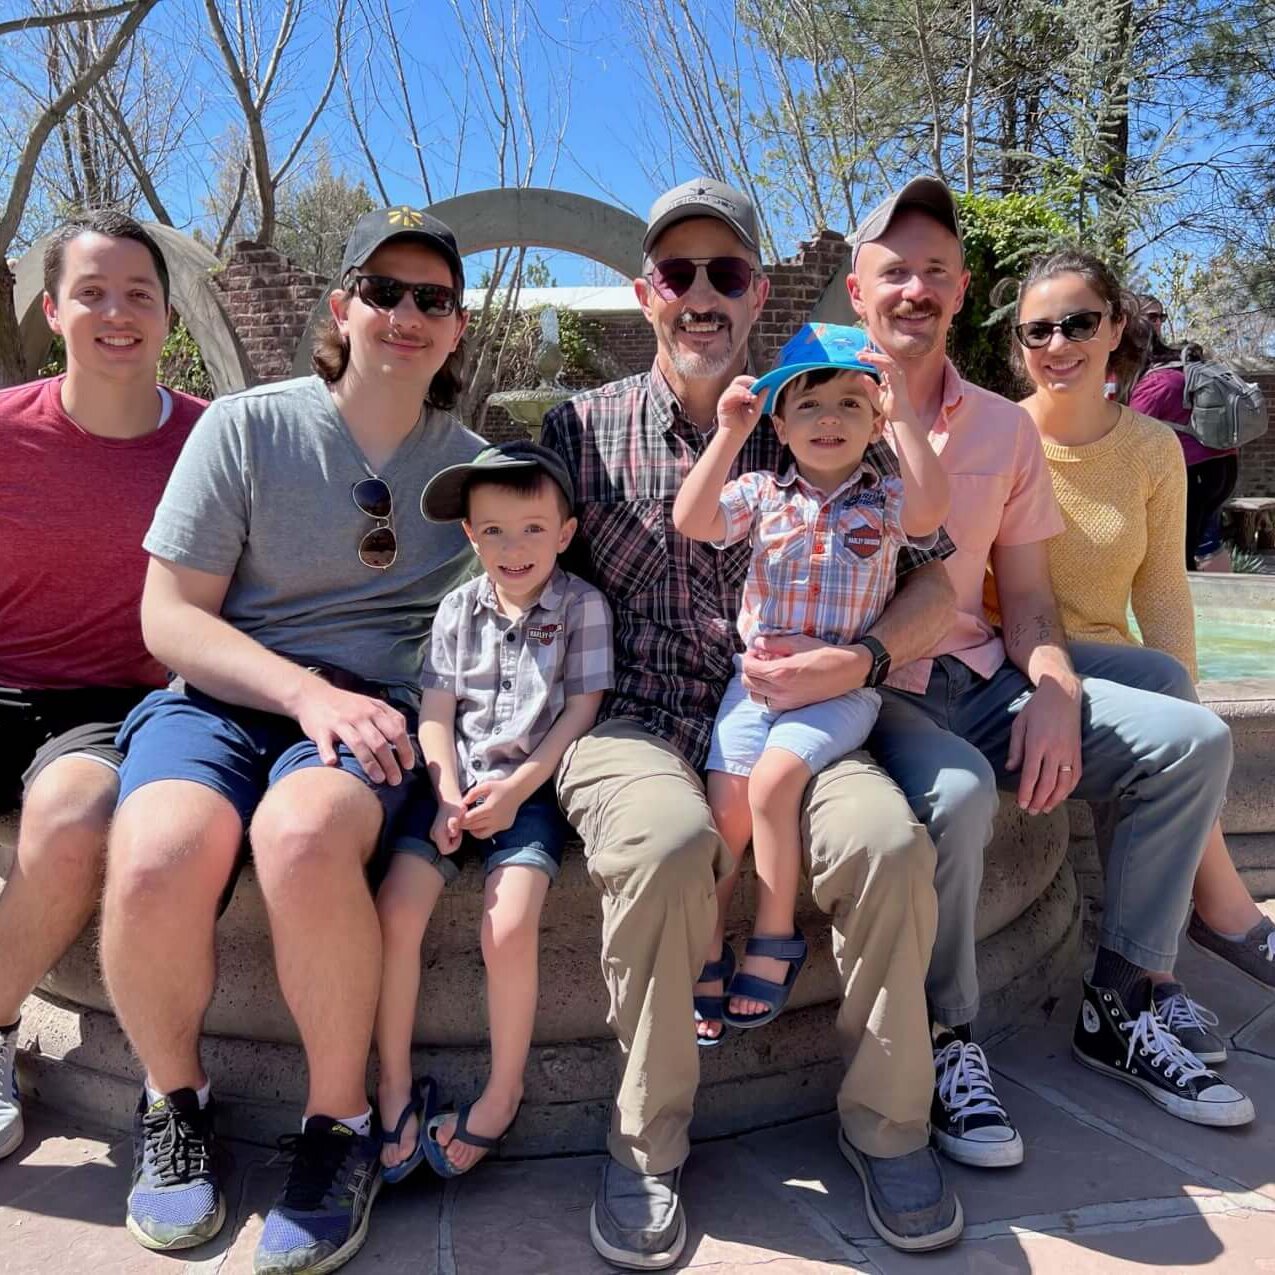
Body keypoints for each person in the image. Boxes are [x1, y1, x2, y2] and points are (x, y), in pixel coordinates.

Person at [541, 176, 966, 1266]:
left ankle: (889, 1126)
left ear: (756, 291)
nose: (700, 295)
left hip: (804, 711)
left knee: (886, 846)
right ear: (646, 291)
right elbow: (515, 577)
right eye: (676, 273)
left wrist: (861, 660)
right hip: (634, 718)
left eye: (724, 273)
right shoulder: (579, 431)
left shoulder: (823, 409)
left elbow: (934, 577)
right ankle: (646, 1145)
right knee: (667, 846)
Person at [99, 206, 482, 1274]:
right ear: (342, 306)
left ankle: (339, 1125)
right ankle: (176, 1103)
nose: (406, 314)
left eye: (432, 299)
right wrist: (302, 693)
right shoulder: (246, 429)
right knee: (154, 852)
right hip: (225, 696)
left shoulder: (473, 469)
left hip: (371, 711)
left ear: (457, 328)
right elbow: (170, 617)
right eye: (384, 291)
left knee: (304, 835)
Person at [852, 178, 1252, 1177]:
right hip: (876, 694)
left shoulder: (1001, 429)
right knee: (956, 796)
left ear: (960, 290)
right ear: (857, 291)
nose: (914, 289)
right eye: (892, 271)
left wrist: (1056, 690)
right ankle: (949, 1038)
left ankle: (1123, 999)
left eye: (935, 272)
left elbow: (1026, 598)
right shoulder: (807, 401)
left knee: (1193, 741)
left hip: (982, 671)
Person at [1013, 250, 1275, 1042]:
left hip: (1113, 661)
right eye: (1037, 330)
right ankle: (1195, 936)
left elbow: (1161, 596)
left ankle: (1155, 969)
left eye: (1078, 323)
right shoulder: (1000, 436)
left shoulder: (1151, 448)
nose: (1058, 344)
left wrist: (1187, 708)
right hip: (1022, 661)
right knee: (1154, 693)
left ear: (1115, 327)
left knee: (1163, 686)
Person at [672, 325, 949, 1029]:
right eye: (809, 404)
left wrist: (905, 416)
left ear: (876, 421)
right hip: (757, 684)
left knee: (772, 781)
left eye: (851, 405)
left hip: (842, 690)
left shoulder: (886, 500)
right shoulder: (763, 492)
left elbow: (931, 510)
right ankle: (709, 940)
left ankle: (775, 935)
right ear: (780, 424)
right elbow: (693, 518)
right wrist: (728, 434)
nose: (829, 419)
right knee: (726, 806)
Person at [0, 210, 204, 1163]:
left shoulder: (212, 442)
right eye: (91, 292)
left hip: (114, 705)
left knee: (75, 816)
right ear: (52, 310)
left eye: (138, 294)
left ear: (167, 315)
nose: (116, 313)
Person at [375, 441, 612, 1182]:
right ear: (470, 535)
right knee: (395, 912)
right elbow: (435, 713)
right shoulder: (457, 608)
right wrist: (445, 791)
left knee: (507, 927)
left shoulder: (581, 606)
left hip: (530, 790)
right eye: (494, 531)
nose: (514, 548)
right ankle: (391, 1085)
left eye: (533, 528)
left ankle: (503, 1091)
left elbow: (580, 713)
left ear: (565, 533)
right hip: (450, 784)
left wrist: (514, 791)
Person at [1130, 319, 1238, 571]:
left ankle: (1188, 594)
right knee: (1207, 543)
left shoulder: (1155, 383)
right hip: (1224, 466)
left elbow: (1130, 435)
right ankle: (1221, 593)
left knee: (1179, 552)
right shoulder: (1182, 369)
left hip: (1194, 472)